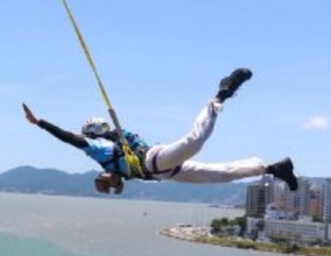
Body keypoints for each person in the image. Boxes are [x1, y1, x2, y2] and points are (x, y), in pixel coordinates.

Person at [22, 68, 298, 194]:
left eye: (105, 179)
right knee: (221, 174)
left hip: (154, 160)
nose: (108, 179)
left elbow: (70, 139)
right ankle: (273, 169)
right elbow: (116, 186)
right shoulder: (114, 162)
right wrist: (111, 183)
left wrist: (41, 123)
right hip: (168, 172)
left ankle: (221, 95)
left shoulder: (101, 149)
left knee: (195, 141)